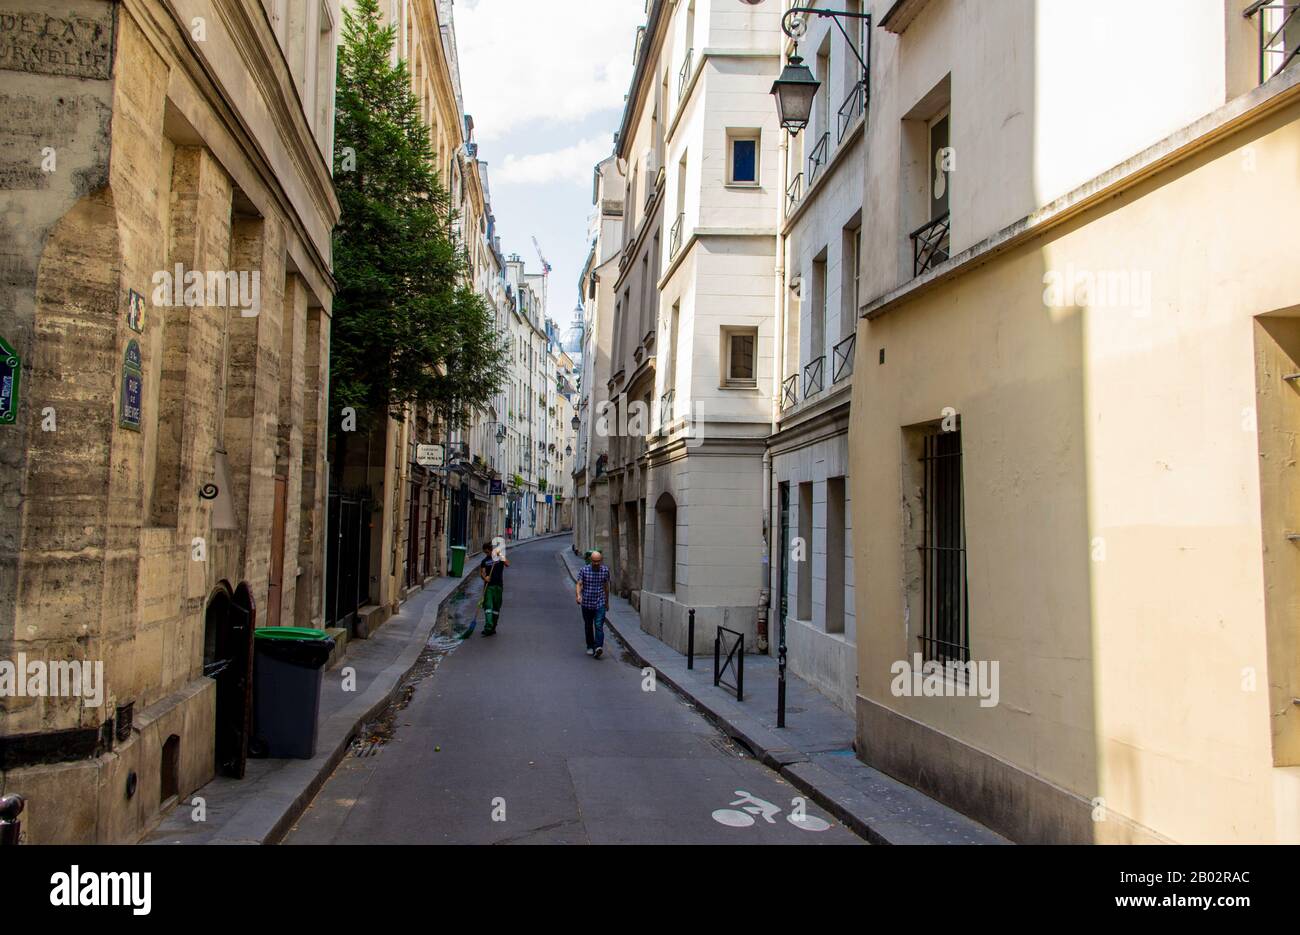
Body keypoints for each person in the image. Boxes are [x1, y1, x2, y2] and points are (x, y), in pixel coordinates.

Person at [575, 549, 611, 658]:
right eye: (594, 561)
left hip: (600, 602)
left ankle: (598, 647)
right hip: (586, 603)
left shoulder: (605, 570)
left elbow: (606, 587)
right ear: (591, 560)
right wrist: (578, 595)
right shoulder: (584, 570)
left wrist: (607, 602)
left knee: (599, 625)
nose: (596, 563)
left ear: (601, 560)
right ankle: (590, 646)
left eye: (598, 561)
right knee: (588, 625)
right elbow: (579, 584)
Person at [478, 540, 508, 636]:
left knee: (496, 609)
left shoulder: (499, 558)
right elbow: (482, 573)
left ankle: (493, 627)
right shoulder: (484, 561)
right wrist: (485, 577)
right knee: (488, 607)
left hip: (499, 586)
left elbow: (507, 563)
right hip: (489, 587)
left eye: (487, 552)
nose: (486, 554)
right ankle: (488, 627)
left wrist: (500, 554)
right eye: (485, 552)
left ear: (491, 550)